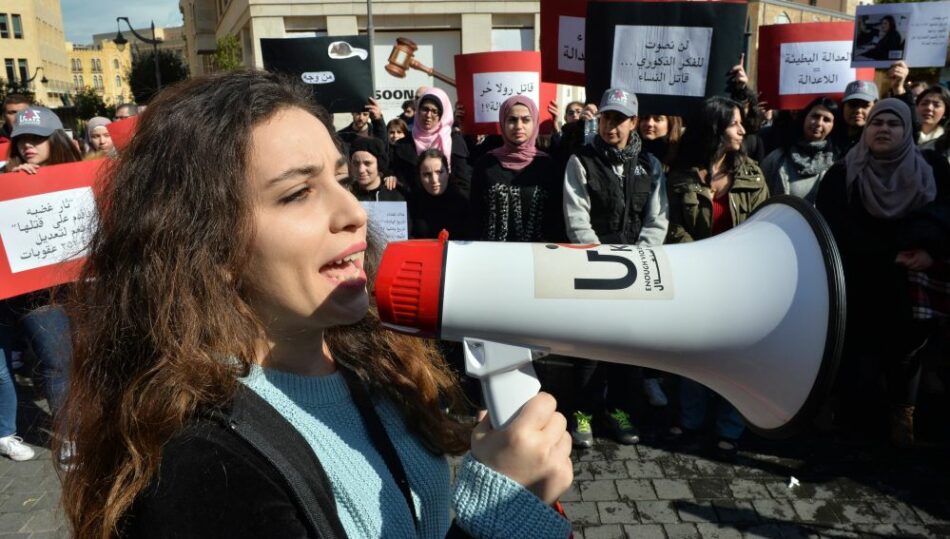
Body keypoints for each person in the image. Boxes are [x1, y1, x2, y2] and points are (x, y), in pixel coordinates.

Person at [59, 70, 572, 538]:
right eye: (298, 193)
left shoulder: (370, 359)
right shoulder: (203, 466)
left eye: (341, 179)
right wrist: (501, 513)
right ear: (206, 244)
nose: (352, 211)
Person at [816, 98, 950, 447]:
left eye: (894, 124)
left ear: (907, 130)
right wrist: (887, 254)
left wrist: (929, 250)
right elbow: (835, 227)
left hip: (910, 282)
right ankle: (838, 410)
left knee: (905, 354)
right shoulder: (843, 173)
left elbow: (945, 213)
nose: (884, 129)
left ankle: (902, 414)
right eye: (877, 123)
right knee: (850, 348)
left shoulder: (932, 168)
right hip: (859, 277)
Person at [562, 88, 668, 448]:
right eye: (607, 117)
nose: (611, 125)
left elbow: (657, 219)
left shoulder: (650, 166)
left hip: (634, 271)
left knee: (626, 349)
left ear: (633, 123)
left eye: (620, 119)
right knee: (589, 349)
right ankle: (583, 413)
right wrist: (599, 259)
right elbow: (577, 216)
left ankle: (619, 411)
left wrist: (639, 259)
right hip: (594, 268)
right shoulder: (581, 161)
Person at [666, 96, 769, 460]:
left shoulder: (752, 175)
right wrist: (703, 257)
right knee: (695, 353)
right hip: (697, 279)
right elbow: (672, 227)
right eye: (734, 123)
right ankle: (690, 421)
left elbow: (764, 227)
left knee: (736, 356)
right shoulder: (680, 174)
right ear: (714, 128)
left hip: (740, 281)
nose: (743, 129)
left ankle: (730, 428)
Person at [469, 95, 564, 243]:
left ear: (535, 123)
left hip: (537, 256)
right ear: (502, 123)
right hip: (491, 254)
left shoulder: (547, 166)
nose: (519, 126)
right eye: (512, 120)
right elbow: (475, 214)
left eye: (526, 119)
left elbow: (556, 218)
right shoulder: (485, 164)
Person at [392, 87, 471, 199]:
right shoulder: (403, 144)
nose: (428, 116)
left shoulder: (454, 141)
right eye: (425, 109)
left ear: (442, 115)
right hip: (415, 209)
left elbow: (463, 183)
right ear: (418, 110)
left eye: (434, 111)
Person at [760, 96, 840, 203]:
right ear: (804, 117)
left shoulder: (838, 163)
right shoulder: (777, 158)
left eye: (826, 120)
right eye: (815, 116)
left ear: (833, 126)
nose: (819, 123)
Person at [348, 136, 404, 202]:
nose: (361, 170)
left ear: (379, 164)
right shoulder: (346, 194)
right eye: (356, 163)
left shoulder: (397, 195)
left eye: (367, 163)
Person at [839, 80, 879, 152]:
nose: (858, 110)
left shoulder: (879, 142)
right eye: (853, 104)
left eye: (865, 105)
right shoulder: (828, 137)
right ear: (843, 107)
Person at [916, 85, 949, 149]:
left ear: (945, 113)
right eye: (924, 103)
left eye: (936, 105)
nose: (929, 108)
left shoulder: (945, 142)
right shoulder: (904, 134)